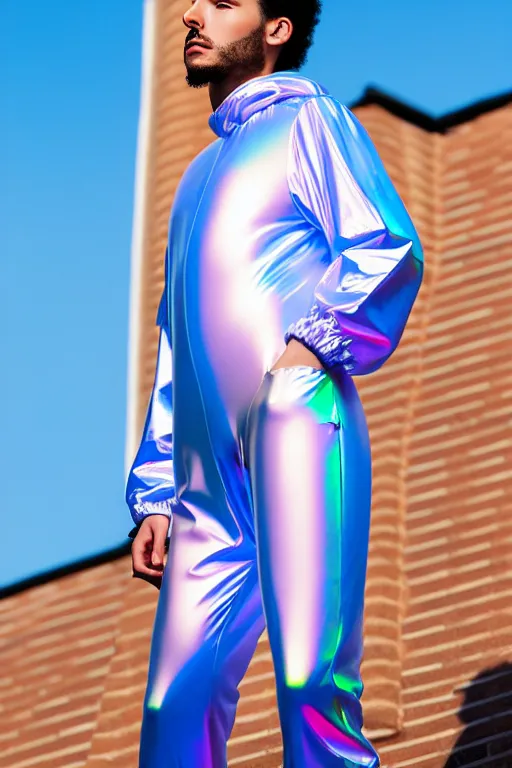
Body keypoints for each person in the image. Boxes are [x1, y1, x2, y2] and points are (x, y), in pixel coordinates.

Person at [125, 1, 424, 766]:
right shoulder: (194, 180)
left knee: (309, 681)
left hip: (293, 419)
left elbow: (385, 246)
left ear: (279, 28)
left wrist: (308, 349)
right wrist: (158, 487)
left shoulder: (309, 120)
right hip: (201, 482)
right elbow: (174, 342)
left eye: (222, 3)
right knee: (170, 710)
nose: (190, 14)